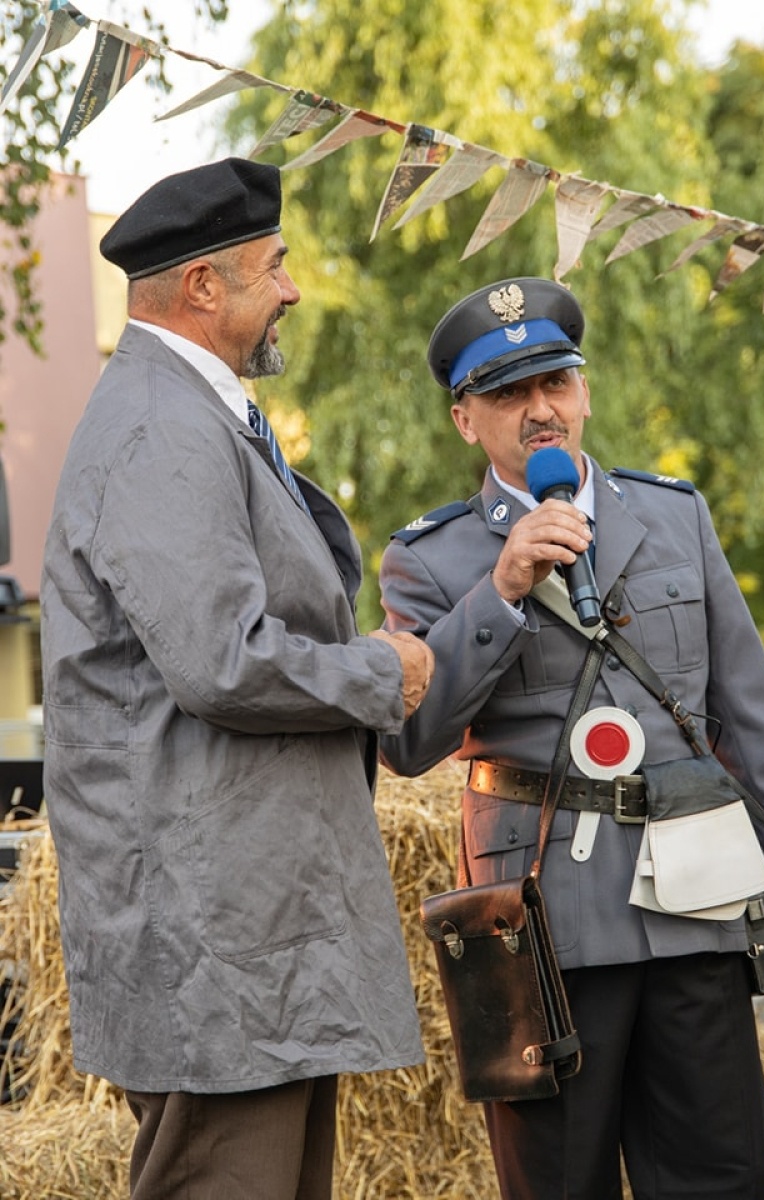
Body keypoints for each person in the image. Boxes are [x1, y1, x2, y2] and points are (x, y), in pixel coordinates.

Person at [40, 157, 434, 1200]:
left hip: (247, 933)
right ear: (205, 287)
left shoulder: (191, 415)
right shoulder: (162, 427)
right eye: (276, 267)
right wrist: (375, 670)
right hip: (217, 939)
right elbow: (222, 663)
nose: (293, 291)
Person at [378, 275, 764, 1200]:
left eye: (555, 385)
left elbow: (753, 715)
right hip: (541, 935)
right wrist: (501, 592)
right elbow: (407, 742)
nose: (540, 412)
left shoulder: (674, 515)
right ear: (465, 420)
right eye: (508, 395)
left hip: (698, 911)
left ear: (585, 391)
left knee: (723, 1179)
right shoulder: (430, 558)